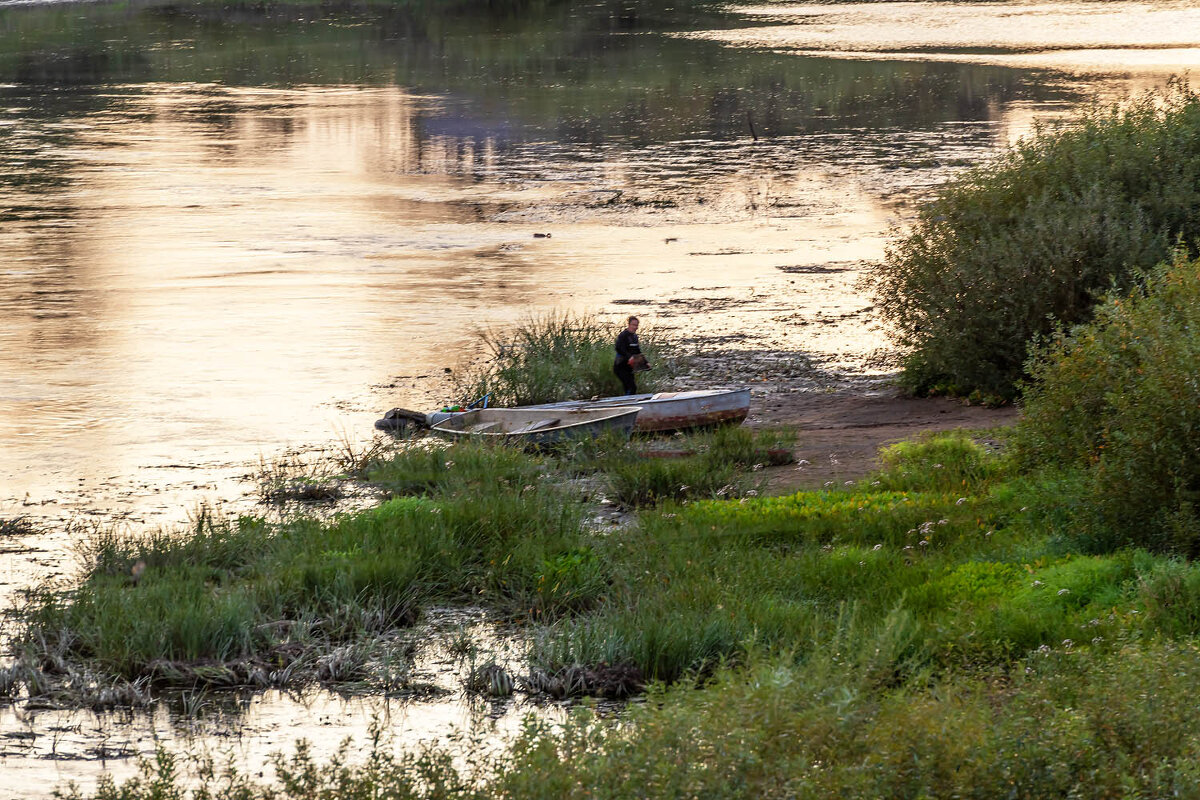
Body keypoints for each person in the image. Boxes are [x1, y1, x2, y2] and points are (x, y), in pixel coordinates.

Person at [613, 316, 644, 395]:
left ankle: (628, 401)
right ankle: (628, 402)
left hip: (629, 367)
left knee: (631, 387)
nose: (635, 327)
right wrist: (629, 357)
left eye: (636, 325)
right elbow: (618, 348)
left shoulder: (635, 337)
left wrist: (645, 363)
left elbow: (637, 351)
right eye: (633, 325)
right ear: (629, 325)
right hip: (620, 366)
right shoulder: (623, 336)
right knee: (631, 387)